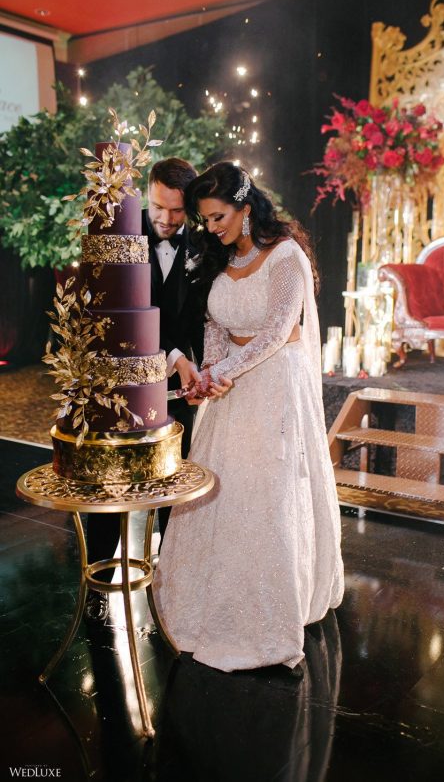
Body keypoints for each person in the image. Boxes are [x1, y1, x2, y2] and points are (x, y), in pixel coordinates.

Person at [153, 161, 344, 671]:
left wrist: (223, 372)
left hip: (275, 384)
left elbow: (279, 330)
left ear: (245, 206)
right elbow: (215, 323)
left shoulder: (286, 255)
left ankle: (269, 612)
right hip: (231, 389)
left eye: (218, 217)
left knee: (265, 492)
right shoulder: (220, 257)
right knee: (219, 491)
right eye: (205, 219)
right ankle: (206, 600)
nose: (211, 227)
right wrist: (208, 373)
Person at [84, 158, 205, 624]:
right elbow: (117, 313)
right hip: (122, 382)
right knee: (111, 481)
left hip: (178, 388)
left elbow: (201, 315)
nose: (167, 219)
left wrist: (199, 368)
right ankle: (96, 581)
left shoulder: (202, 244)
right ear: (148, 193)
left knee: (174, 477)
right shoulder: (120, 234)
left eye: (177, 211)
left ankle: (171, 581)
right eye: (159, 207)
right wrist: (175, 356)